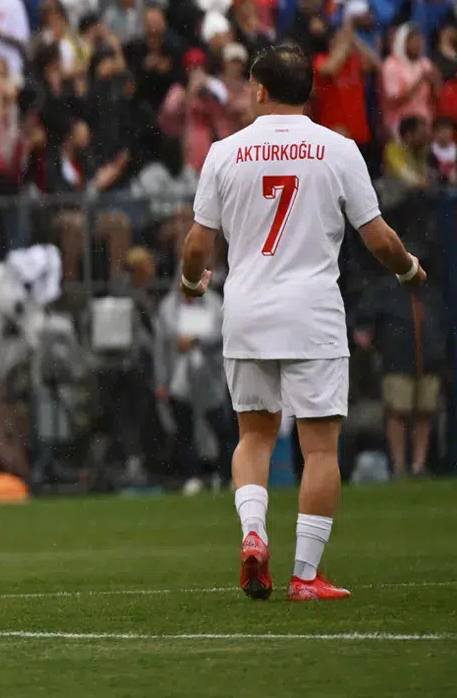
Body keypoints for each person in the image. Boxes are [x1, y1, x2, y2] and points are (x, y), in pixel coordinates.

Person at [180, 45, 425, 602]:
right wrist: (409, 271)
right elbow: (378, 236)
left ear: (261, 89)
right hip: (312, 312)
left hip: (247, 309)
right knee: (318, 448)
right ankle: (306, 576)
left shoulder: (224, 152)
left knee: (254, 435)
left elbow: (197, 244)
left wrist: (193, 284)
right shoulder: (338, 149)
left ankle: (253, 532)